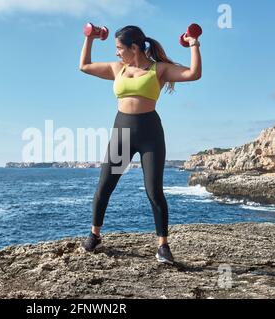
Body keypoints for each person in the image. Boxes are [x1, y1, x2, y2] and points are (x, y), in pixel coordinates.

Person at [79, 25, 202, 264]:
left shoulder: (159, 69)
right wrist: (90, 38)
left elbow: (194, 74)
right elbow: (84, 65)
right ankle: (95, 235)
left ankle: (163, 247)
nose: (116, 53)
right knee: (105, 185)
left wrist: (193, 43)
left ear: (134, 47)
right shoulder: (118, 68)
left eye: (118, 48)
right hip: (122, 133)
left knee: (154, 191)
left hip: (150, 135)